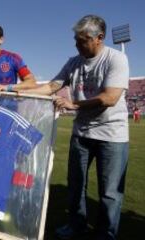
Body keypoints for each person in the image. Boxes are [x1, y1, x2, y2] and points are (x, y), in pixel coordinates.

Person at [23, 15, 129, 240]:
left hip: (112, 135)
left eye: (82, 40)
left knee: (110, 193)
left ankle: (106, 234)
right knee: (76, 184)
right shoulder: (73, 62)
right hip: (81, 133)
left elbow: (110, 98)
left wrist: (74, 104)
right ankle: (76, 224)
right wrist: (15, 91)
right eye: (76, 39)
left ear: (99, 38)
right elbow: (51, 86)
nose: (77, 44)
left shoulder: (116, 59)